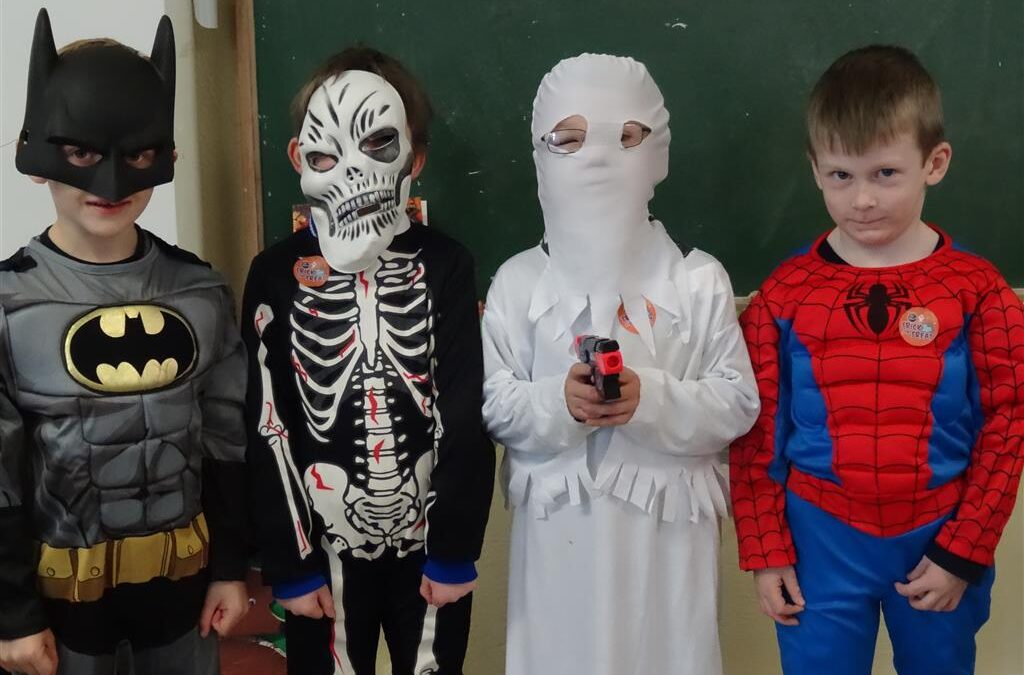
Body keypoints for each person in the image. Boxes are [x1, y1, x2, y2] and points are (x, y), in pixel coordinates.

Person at [730, 44, 1024, 675]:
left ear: (934, 163)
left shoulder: (979, 290)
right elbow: (755, 431)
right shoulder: (783, 294)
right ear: (815, 169)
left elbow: (1010, 422)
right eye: (841, 175)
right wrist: (766, 549)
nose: (861, 199)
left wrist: (965, 550)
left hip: (941, 534)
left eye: (885, 173)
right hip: (818, 540)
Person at [481, 53, 761, 675]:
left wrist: (652, 399)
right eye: (569, 139)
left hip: (668, 540)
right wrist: (557, 401)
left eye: (626, 137)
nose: (599, 159)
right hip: (558, 540)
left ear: (657, 151)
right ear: (541, 154)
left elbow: (737, 400)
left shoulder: (698, 281)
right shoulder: (519, 284)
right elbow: (496, 403)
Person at [0, 9, 250, 675]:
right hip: (62, 612)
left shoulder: (201, 291)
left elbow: (227, 440)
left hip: (182, 598)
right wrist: (13, 613)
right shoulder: (9, 303)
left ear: (165, 155)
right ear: (35, 155)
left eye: (138, 155)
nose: (110, 184)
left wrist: (230, 567)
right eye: (80, 153)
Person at [242, 46, 495, 674]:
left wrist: (454, 549)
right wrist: (291, 564)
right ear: (300, 157)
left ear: (414, 157)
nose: (353, 170)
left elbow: (464, 411)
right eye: (328, 153)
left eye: (379, 143)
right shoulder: (275, 274)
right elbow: (266, 420)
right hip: (322, 550)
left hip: (427, 544)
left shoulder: (446, 264)